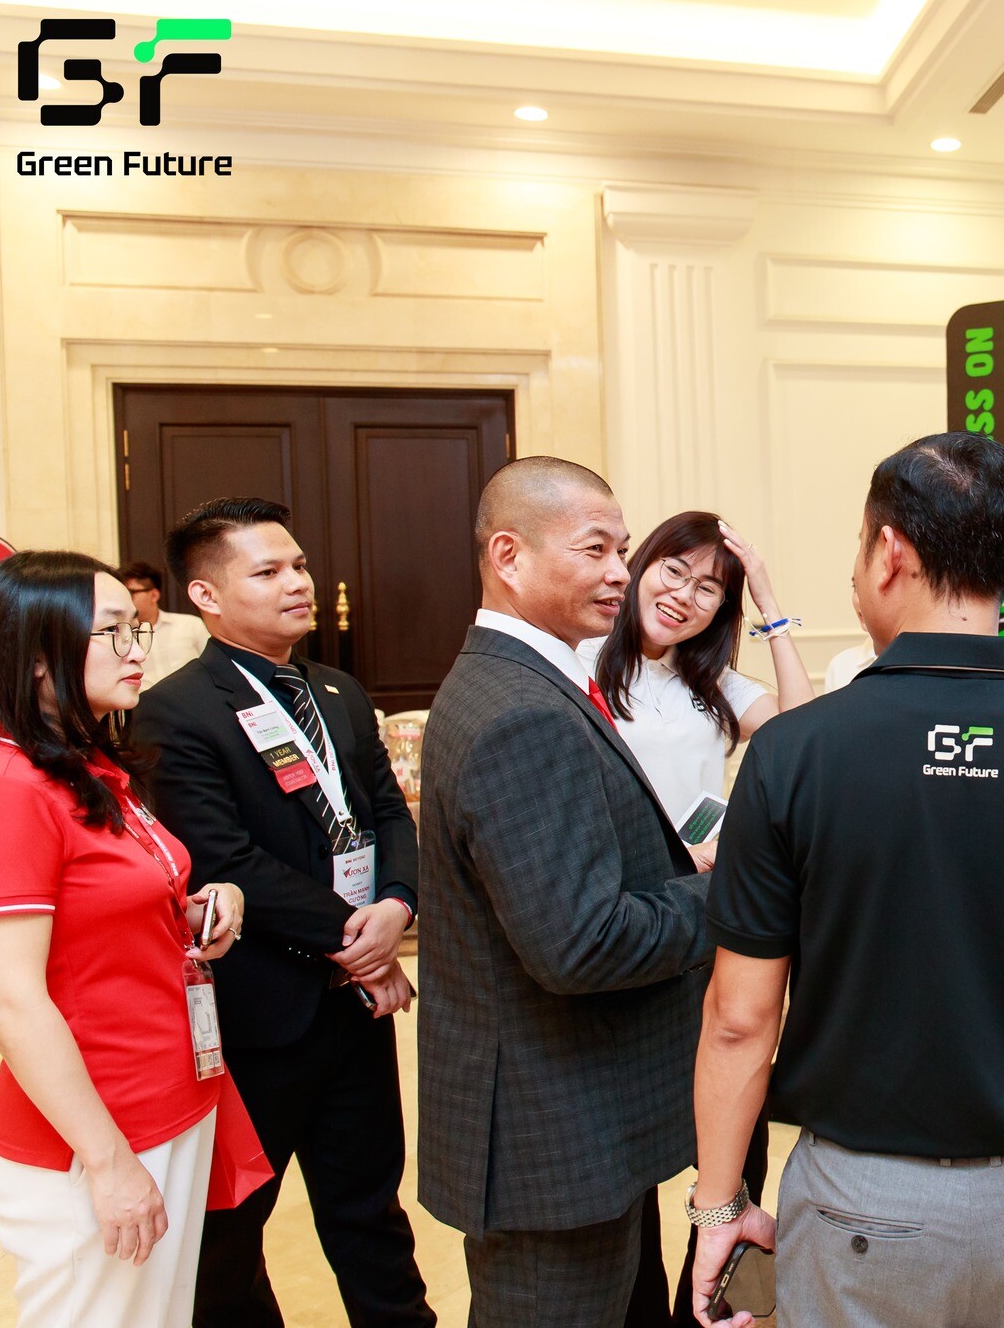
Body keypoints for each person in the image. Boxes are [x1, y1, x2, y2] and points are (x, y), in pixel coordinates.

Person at [688, 432, 1004, 1328]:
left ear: (890, 552)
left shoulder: (792, 755)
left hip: (859, 1208)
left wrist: (717, 1210)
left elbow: (738, 1019)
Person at [418, 457, 717, 1328]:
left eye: (622, 549)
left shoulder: (523, 678)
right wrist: (725, 895)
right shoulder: (523, 711)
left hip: (577, 1120)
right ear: (509, 556)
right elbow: (581, 943)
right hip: (553, 1136)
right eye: (595, 549)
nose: (621, 572)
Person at [133, 498, 430, 1328]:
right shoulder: (176, 708)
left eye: (298, 565)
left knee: (371, 1213)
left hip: (356, 1007)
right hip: (260, 1015)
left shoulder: (337, 691)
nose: (299, 582)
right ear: (206, 594)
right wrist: (355, 938)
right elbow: (223, 860)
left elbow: (387, 811)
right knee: (231, 1235)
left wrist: (397, 904)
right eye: (268, 571)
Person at [0, 550, 266, 1327]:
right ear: (36, 657)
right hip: (95, 1129)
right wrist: (107, 1160)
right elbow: (7, 997)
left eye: (137, 628)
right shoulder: (6, 789)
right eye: (113, 632)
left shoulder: (87, 766)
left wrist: (202, 907)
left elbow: (107, 911)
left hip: (168, 1096)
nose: (137, 650)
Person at [585, 510, 814, 872]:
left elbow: (801, 731)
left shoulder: (713, 682)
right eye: (675, 571)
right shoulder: (580, 659)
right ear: (643, 564)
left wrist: (768, 606)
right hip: (620, 882)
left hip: (696, 885)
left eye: (707, 589)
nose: (683, 595)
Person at [116, 560, 210, 688]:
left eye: (131, 593)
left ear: (154, 595)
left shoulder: (190, 625)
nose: (124, 599)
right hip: (143, 699)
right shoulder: (119, 636)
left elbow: (213, 665)